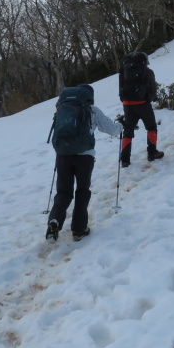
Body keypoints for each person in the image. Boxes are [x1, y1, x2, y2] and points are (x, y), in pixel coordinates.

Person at [47, 84, 122, 243]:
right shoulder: (92, 110)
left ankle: (54, 221)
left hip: (63, 156)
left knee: (63, 192)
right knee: (82, 190)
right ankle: (79, 229)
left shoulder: (61, 109)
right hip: (84, 157)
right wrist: (121, 126)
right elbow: (112, 130)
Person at [119, 52, 164, 167]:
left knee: (128, 131)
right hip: (142, 104)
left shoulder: (124, 71)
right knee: (151, 127)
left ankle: (124, 160)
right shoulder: (148, 72)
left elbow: (121, 88)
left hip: (127, 104)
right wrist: (151, 98)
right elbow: (152, 90)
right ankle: (152, 153)